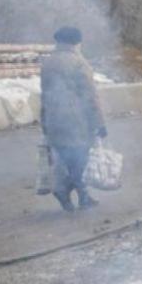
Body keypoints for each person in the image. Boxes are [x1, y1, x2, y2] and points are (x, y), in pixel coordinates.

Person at [40, 26, 107, 212]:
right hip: (76, 121)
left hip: (54, 120)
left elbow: (44, 95)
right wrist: (99, 123)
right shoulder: (78, 62)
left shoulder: (48, 62)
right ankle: (67, 191)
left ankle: (82, 196)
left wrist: (44, 121)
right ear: (76, 42)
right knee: (80, 159)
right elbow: (90, 96)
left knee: (65, 159)